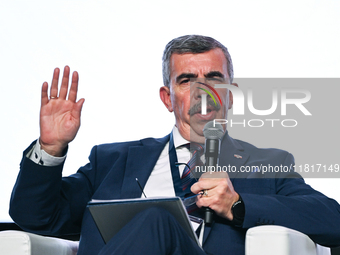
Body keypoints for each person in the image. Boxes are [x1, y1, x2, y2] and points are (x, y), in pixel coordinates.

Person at [10, 35, 340, 255]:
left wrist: (237, 205)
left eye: (213, 78)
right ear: (168, 98)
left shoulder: (267, 164)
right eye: (186, 80)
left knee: (158, 217)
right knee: (157, 217)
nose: (202, 90)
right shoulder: (111, 161)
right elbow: (35, 217)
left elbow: (332, 220)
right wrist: (49, 147)